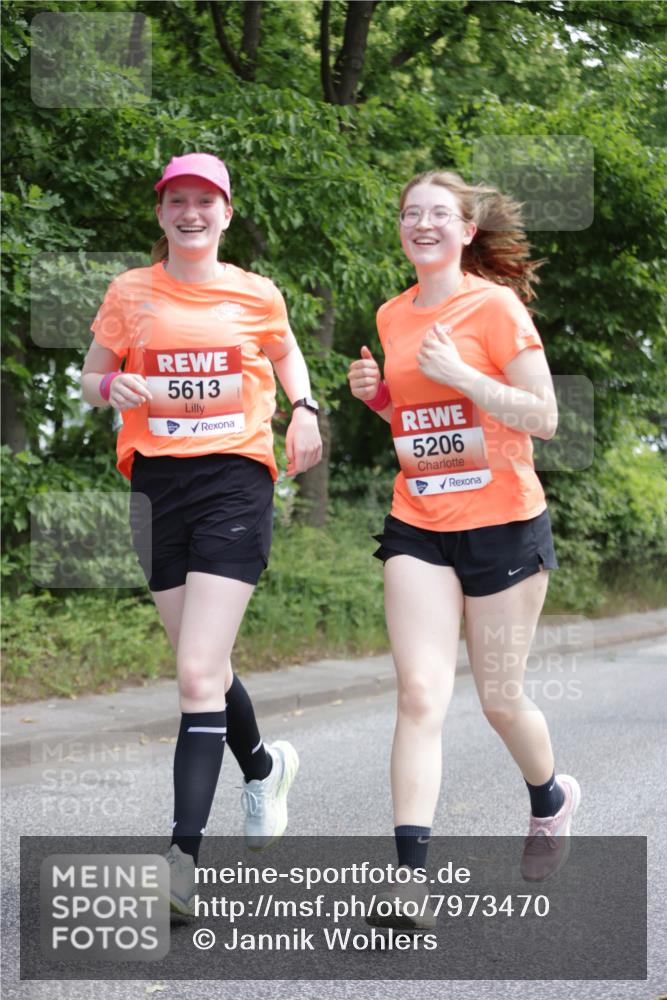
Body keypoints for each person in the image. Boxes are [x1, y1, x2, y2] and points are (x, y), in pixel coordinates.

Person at [81, 152, 322, 915]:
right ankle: (261, 768)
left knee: (193, 674)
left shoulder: (256, 293)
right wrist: (108, 386)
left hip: (234, 479)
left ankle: (181, 859)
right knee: (205, 665)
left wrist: (307, 409)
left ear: (225, 212)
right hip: (156, 486)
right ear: (161, 214)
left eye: (204, 201)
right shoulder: (130, 293)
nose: (190, 213)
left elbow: (286, 354)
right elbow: (90, 377)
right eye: (176, 201)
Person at [348, 169, 581, 930]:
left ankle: (549, 800)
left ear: (466, 230)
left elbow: (543, 416)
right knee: (419, 694)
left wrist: (461, 376)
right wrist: (380, 398)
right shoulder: (391, 314)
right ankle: (408, 883)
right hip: (418, 520)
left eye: (437, 214)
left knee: (498, 699)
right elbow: (417, 424)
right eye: (410, 212)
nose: (422, 224)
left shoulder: (494, 307)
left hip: (505, 524)